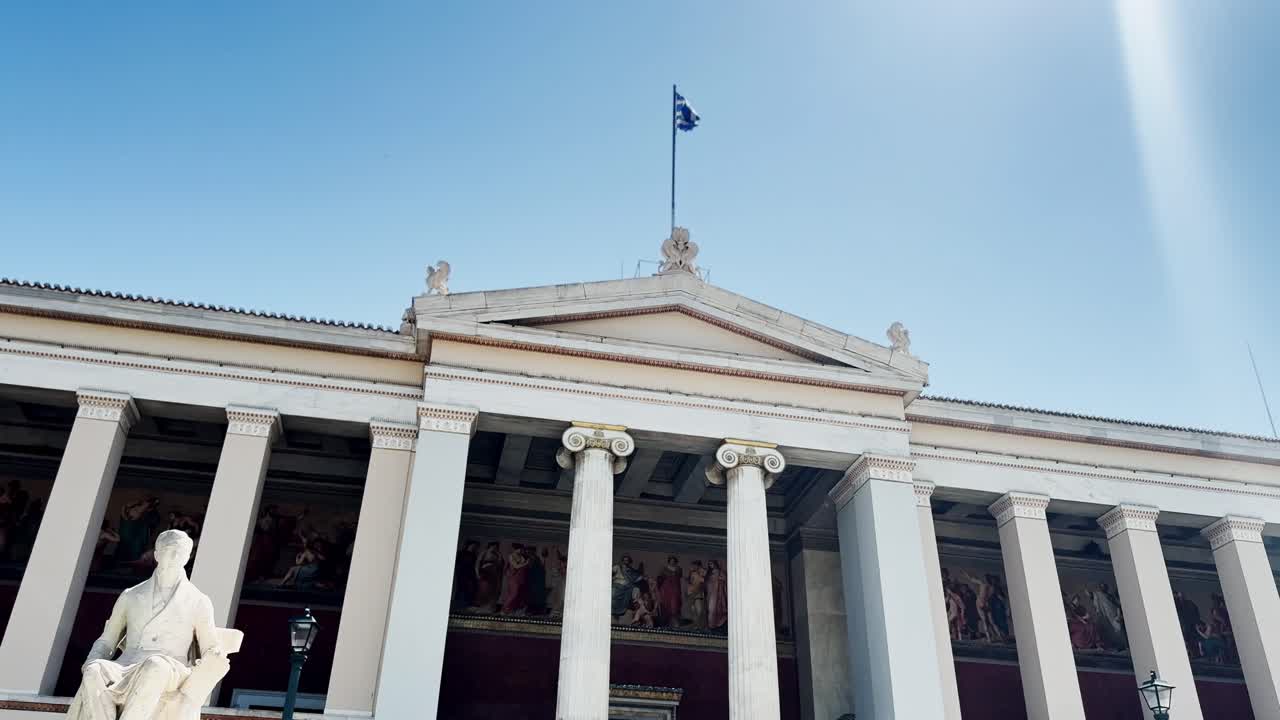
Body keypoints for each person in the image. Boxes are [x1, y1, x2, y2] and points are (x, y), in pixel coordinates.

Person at [64, 530, 226, 720]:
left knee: (155, 666)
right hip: (128, 664)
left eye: (181, 552)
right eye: (169, 550)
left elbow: (209, 646)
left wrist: (214, 655)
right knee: (94, 670)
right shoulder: (130, 595)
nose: (175, 556)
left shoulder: (198, 600)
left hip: (171, 667)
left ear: (187, 557)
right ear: (156, 554)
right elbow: (107, 640)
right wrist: (92, 660)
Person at [472, 541, 504, 612]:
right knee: (484, 589)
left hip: (494, 575)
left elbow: (500, 563)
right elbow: (478, 563)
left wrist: (499, 555)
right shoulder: (484, 552)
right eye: (494, 546)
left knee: (492, 591)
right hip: (485, 574)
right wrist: (478, 573)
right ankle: (481, 606)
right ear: (490, 546)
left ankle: (489, 607)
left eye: (496, 547)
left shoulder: (497, 554)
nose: (495, 548)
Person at [499, 544, 531, 615]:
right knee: (513, 593)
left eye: (522, 549)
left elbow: (525, 567)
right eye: (520, 549)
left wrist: (527, 564)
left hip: (521, 577)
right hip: (514, 577)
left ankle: (511, 610)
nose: (522, 551)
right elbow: (516, 566)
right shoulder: (511, 556)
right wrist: (526, 563)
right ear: (516, 549)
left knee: (518, 595)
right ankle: (504, 609)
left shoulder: (522, 556)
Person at [656, 556, 683, 628]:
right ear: (669, 561)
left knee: (674, 605)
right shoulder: (664, 569)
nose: (672, 562)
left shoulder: (678, 569)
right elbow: (660, 578)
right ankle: (666, 622)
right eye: (671, 560)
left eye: (673, 560)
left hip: (675, 588)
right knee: (666, 604)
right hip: (666, 588)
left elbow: (679, 577)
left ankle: (674, 622)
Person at [706, 560, 728, 630]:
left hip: (718, 593)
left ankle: (718, 624)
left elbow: (724, 580)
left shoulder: (720, 572)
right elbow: (707, 583)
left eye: (711, 564)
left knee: (718, 608)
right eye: (709, 564)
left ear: (715, 564)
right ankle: (711, 625)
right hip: (711, 593)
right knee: (711, 609)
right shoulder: (709, 573)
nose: (710, 565)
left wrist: (719, 580)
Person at [686, 560, 708, 630]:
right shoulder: (693, 573)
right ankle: (696, 625)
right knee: (693, 611)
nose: (693, 567)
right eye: (693, 566)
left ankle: (700, 626)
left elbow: (703, 582)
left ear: (698, 565)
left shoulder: (702, 572)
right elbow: (690, 581)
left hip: (698, 594)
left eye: (695, 565)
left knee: (699, 611)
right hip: (692, 593)